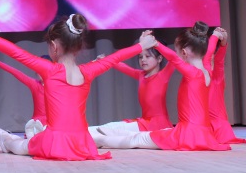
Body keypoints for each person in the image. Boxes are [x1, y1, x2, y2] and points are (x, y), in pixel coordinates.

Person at [0, 14, 156, 160]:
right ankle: (7, 138)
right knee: (24, 144)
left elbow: (15, 52)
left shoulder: (49, 70)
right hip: (81, 143)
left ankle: (5, 138)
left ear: (54, 46)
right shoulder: (88, 71)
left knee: (19, 147)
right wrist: (141, 45)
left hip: (54, 141)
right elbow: (115, 58)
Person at [95, 22, 231, 151]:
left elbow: (173, 58)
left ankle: (98, 140)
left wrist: (155, 43)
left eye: (177, 51)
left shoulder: (192, 73)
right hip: (204, 135)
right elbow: (208, 54)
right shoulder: (207, 71)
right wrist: (217, 38)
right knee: (149, 135)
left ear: (184, 53)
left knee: (138, 139)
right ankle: (102, 137)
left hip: (186, 135)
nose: (177, 54)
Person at [87, 45, 174, 142]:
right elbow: (123, 67)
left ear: (159, 58)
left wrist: (156, 44)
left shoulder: (163, 75)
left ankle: (83, 134)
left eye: (147, 56)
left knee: (109, 130)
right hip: (144, 122)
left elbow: (174, 58)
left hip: (157, 124)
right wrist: (106, 60)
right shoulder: (141, 76)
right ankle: (82, 134)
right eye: (140, 57)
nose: (143, 60)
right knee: (107, 128)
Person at [0, 56, 47, 139]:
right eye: (38, 70)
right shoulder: (35, 84)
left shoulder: (57, 86)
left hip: (52, 124)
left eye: (43, 70)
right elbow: (15, 72)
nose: (40, 73)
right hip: (36, 124)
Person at [207, 27, 245, 144]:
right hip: (202, 124)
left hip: (219, 126)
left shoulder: (216, 77)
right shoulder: (198, 74)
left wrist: (223, 44)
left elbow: (218, 61)